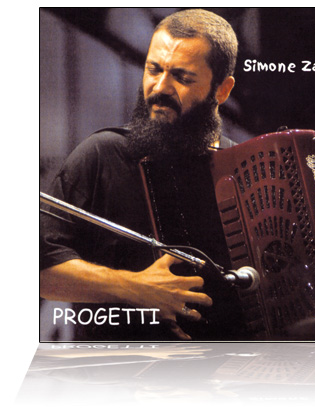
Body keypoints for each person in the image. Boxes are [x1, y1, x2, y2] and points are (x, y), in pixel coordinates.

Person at [40, 9, 241, 341]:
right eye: (153, 69)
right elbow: (38, 269)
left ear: (222, 90)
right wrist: (136, 287)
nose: (159, 88)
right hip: (116, 369)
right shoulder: (101, 154)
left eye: (182, 77)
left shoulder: (245, 169)